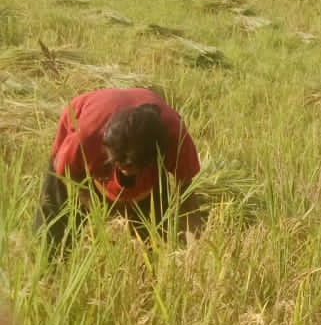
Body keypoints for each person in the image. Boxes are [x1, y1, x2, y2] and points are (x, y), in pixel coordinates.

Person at [35, 87, 202, 250]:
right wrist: (98, 211)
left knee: (156, 227)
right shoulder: (86, 137)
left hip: (143, 142)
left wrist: (194, 246)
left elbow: (187, 195)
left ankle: (150, 258)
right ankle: (49, 263)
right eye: (122, 164)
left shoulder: (176, 137)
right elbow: (67, 173)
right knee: (57, 216)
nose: (126, 172)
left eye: (134, 167)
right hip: (90, 116)